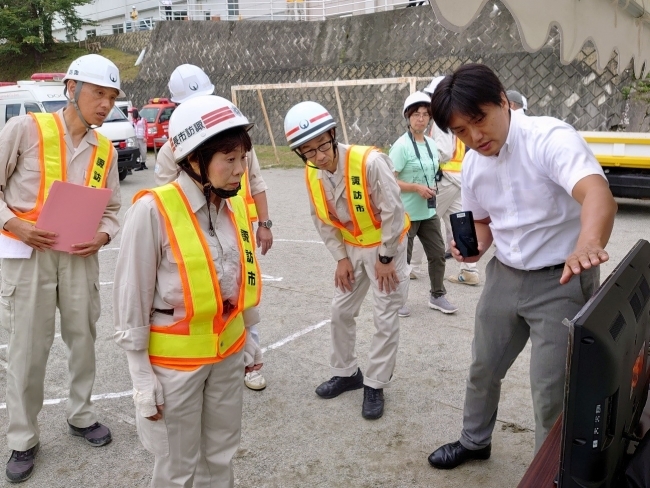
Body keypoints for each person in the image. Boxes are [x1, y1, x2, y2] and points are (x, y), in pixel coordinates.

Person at [426, 63, 617, 469]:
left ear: (501, 101)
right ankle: (474, 441)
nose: (475, 137)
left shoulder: (549, 138)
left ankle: (547, 471)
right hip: (504, 275)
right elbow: (482, 220)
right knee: (483, 366)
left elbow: (597, 194)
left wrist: (588, 242)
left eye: (479, 121)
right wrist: (474, 246)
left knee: (552, 389)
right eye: (460, 131)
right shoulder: (475, 161)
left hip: (562, 279)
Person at [114, 95, 261, 487]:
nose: (239, 170)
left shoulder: (234, 207)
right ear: (194, 160)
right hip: (174, 369)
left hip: (227, 357)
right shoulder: (152, 211)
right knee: (176, 467)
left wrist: (250, 332)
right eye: (228, 160)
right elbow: (132, 301)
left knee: (220, 454)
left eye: (242, 159)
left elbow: (241, 278)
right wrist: (141, 376)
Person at [0, 54, 122, 483]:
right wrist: (13, 223)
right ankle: (23, 439)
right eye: (98, 94)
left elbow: (112, 210)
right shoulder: (25, 129)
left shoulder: (105, 149)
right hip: (26, 255)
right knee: (27, 350)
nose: (106, 104)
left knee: (82, 339)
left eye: (112, 97)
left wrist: (103, 236)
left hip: (79, 258)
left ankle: (81, 414)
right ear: (71, 89)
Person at [284, 101, 410, 420]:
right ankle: (346, 372)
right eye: (308, 151)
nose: (319, 156)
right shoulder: (313, 174)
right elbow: (322, 220)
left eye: (322, 145)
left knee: (385, 315)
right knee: (340, 310)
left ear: (333, 134)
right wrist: (340, 257)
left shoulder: (369, 161)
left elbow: (393, 211)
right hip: (352, 249)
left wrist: (385, 256)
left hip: (385, 247)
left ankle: (375, 384)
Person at [154, 64, 271, 391]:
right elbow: (167, 201)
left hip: (237, 229)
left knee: (243, 288)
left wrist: (265, 223)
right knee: (203, 294)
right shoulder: (171, 151)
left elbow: (257, 182)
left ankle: (252, 357)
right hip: (193, 241)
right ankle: (208, 358)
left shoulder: (237, 140)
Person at [389, 91, 458, 317]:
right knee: (403, 261)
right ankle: (397, 300)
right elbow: (390, 181)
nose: (421, 118)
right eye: (416, 114)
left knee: (438, 253)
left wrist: (432, 186)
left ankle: (437, 295)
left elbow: (434, 171)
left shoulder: (430, 144)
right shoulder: (401, 146)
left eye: (425, 114)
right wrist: (416, 188)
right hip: (406, 214)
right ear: (408, 117)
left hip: (428, 211)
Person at [423, 76, 480, 286]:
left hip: (444, 177)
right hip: (459, 176)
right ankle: (469, 269)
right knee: (460, 222)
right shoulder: (459, 116)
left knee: (422, 219)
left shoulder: (441, 120)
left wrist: (424, 161)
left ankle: (408, 266)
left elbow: (444, 151)